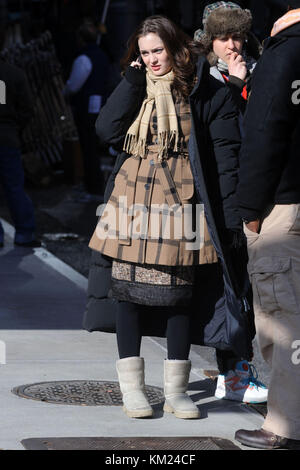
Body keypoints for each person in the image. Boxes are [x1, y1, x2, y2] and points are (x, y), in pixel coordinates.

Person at [86, 15, 252, 420]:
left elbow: (227, 157)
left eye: (157, 50)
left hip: (182, 200)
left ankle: (178, 392)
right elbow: (106, 130)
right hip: (132, 199)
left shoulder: (204, 88)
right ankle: (133, 391)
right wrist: (130, 81)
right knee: (126, 295)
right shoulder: (135, 86)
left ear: (175, 47)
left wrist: (232, 220)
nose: (152, 59)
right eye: (145, 53)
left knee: (180, 297)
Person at [194, 1, 267, 404]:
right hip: (220, 197)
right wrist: (236, 90)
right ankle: (234, 371)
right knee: (231, 287)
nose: (233, 45)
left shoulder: (259, 72)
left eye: (238, 36)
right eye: (224, 37)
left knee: (255, 287)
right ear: (210, 41)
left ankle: (237, 369)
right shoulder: (205, 78)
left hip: (255, 192)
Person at [235, 0, 300, 450]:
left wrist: (250, 209)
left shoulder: (285, 51)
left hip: (284, 202)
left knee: (283, 320)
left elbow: (265, 133)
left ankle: (283, 426)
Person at [63, 22, 110, 197]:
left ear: (80, 39)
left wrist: (64, 91)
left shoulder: (83, 58)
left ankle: (93, 185)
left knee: (88, 146)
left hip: (85, 107)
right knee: (93, 146)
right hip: (99, 104)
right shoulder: (102, 55)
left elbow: (74, 86)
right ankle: (95, 183)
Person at [0, 50, 40, 248]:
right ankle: (24, 233)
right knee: (14, 187)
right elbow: (27, 110)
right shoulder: (13, 73)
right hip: (7, 136)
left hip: (7, 133)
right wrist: (16, 128)